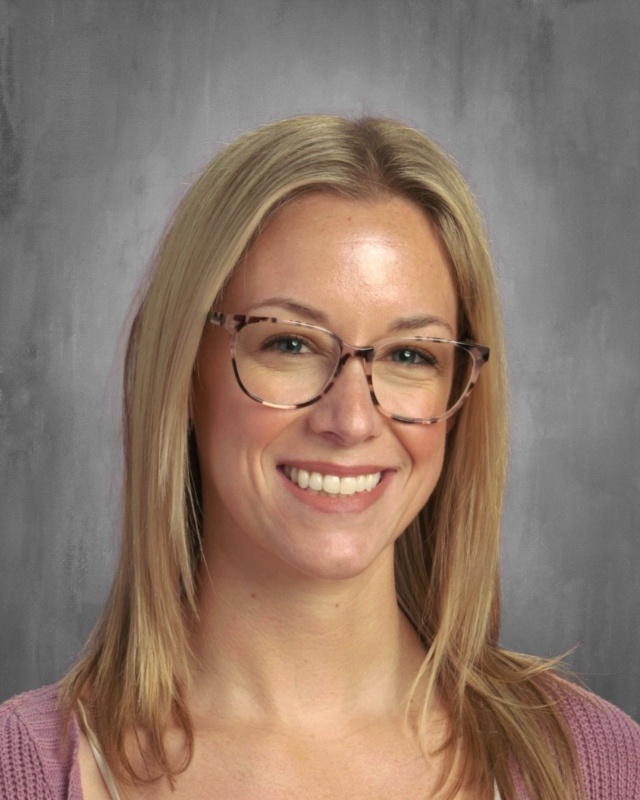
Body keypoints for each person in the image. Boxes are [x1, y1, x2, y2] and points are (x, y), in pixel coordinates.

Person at [1, 115, 639, 800]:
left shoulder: (600, 764)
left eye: (409, 355)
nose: (352, 419)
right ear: (184, 370)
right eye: (291, 344)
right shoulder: (25, 772)